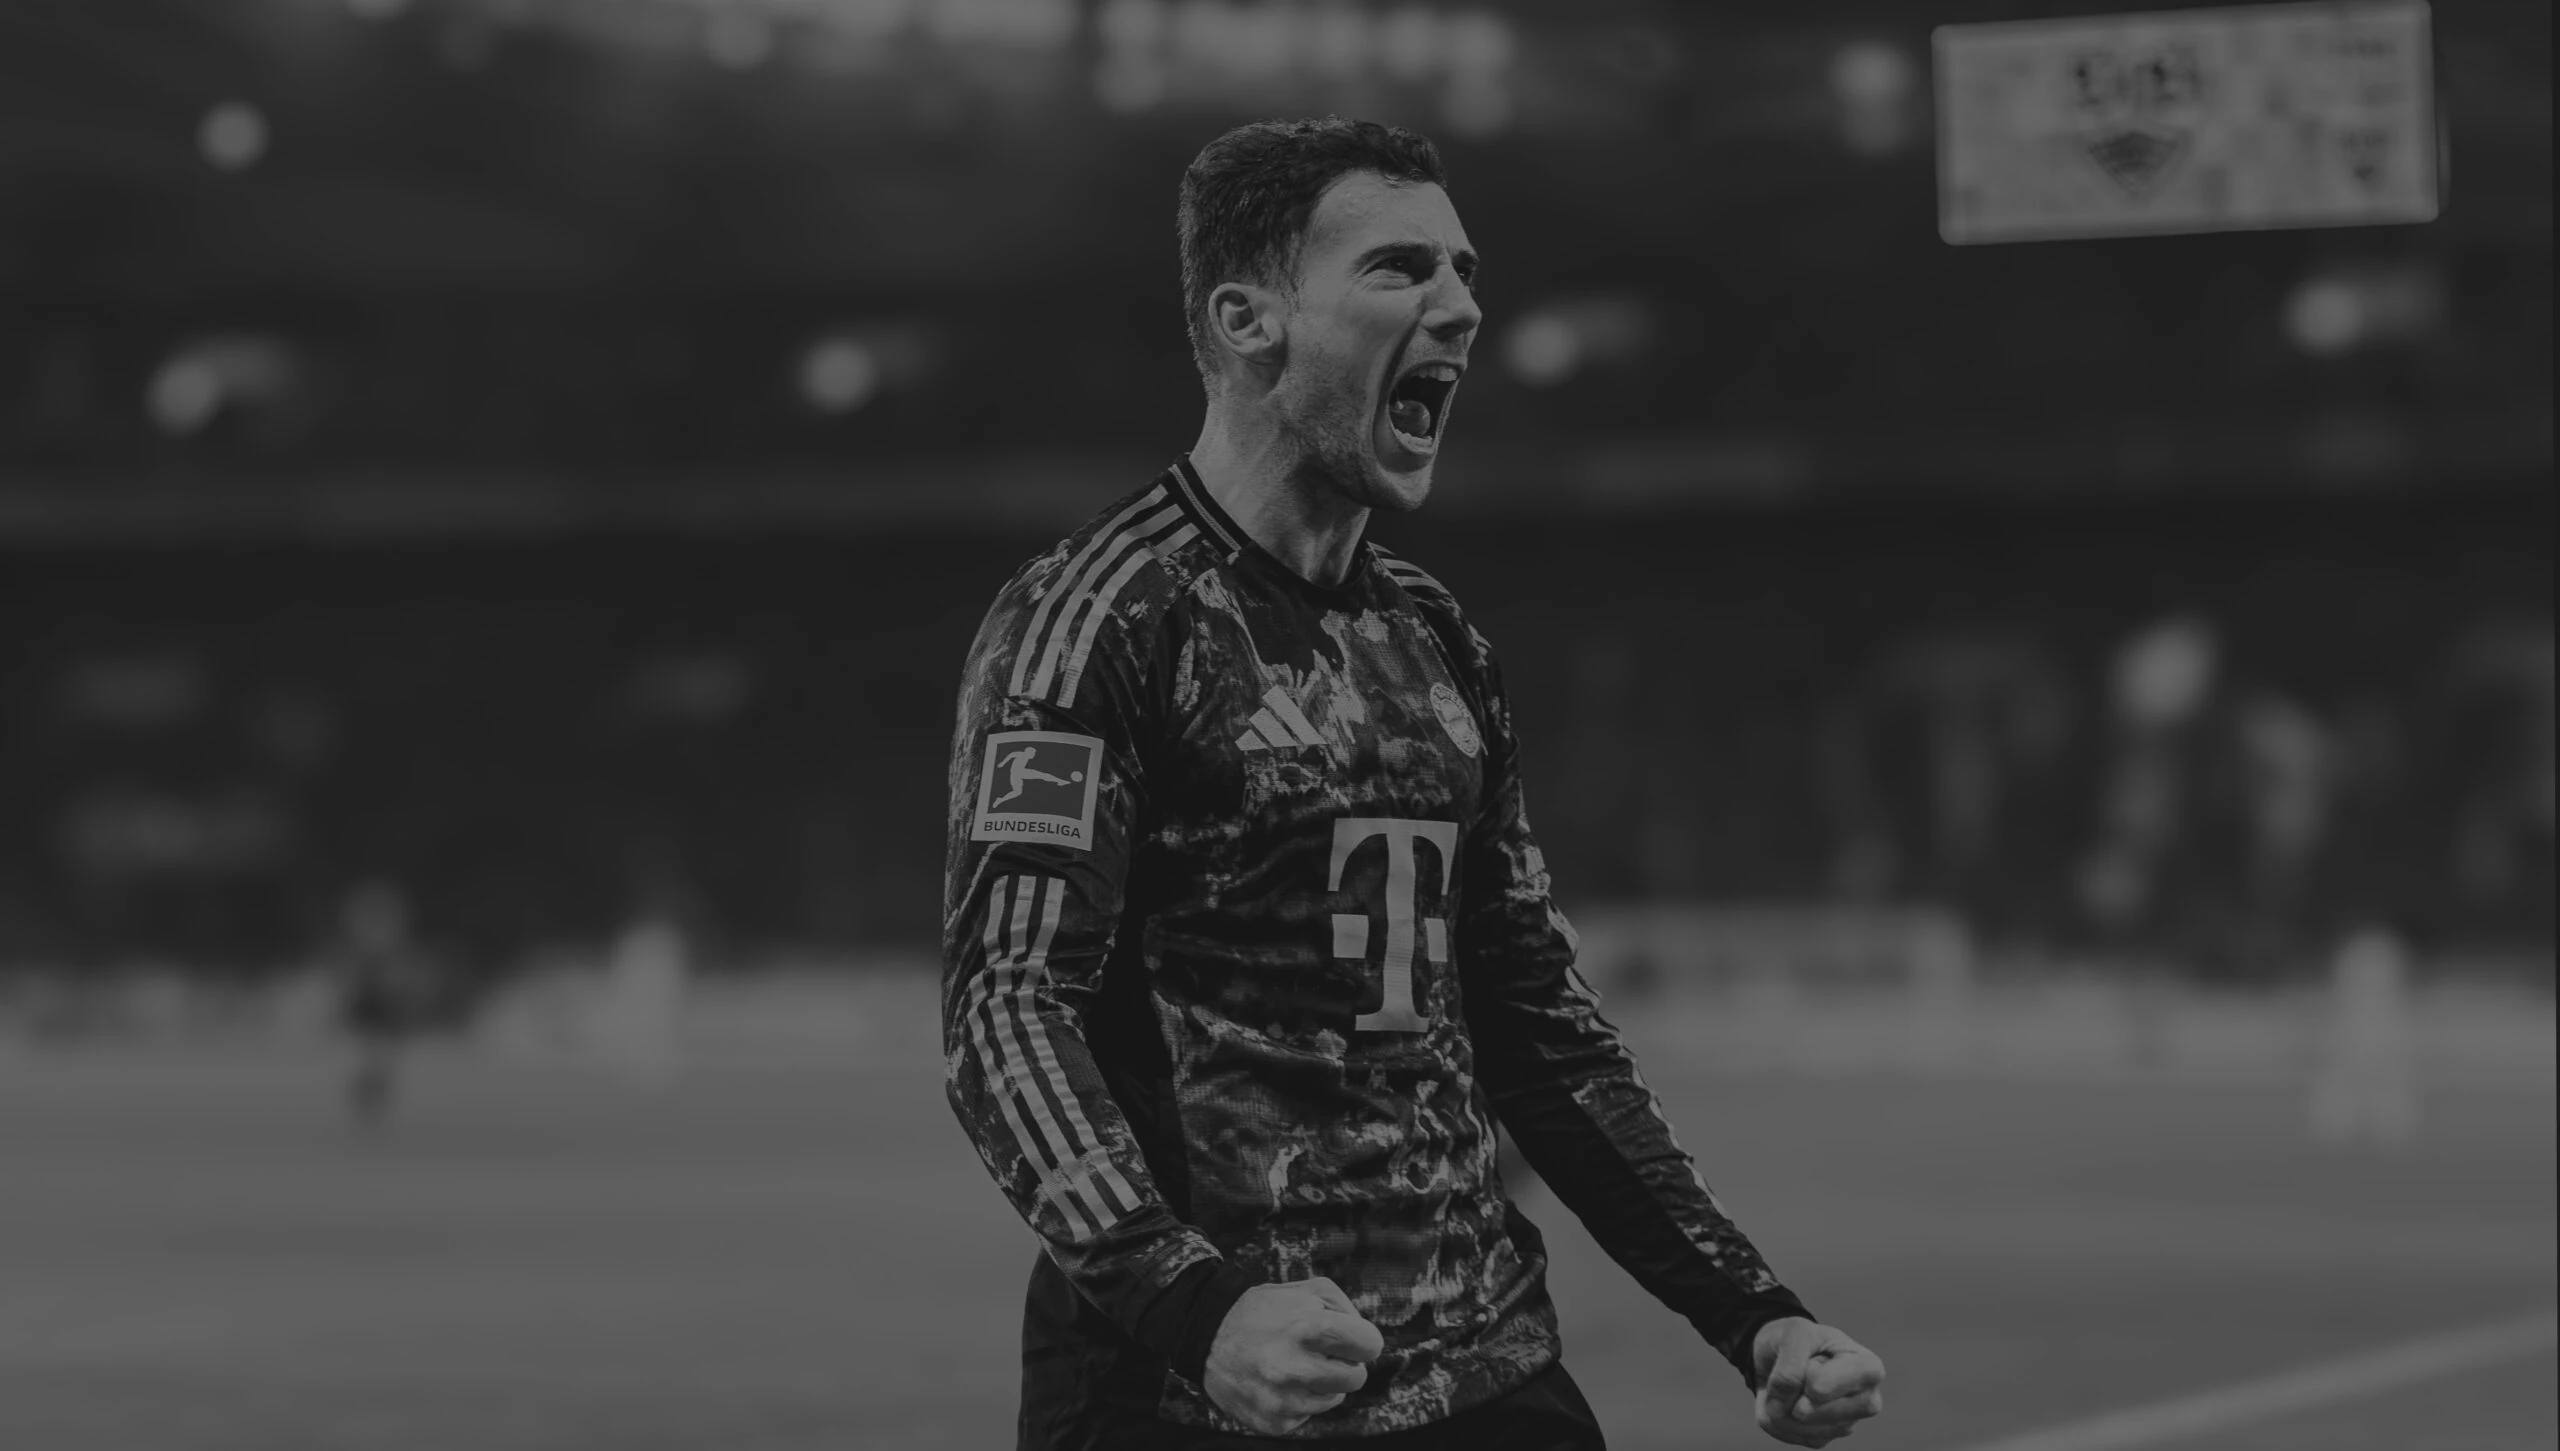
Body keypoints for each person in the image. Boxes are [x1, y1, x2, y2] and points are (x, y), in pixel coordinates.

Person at [942, 117, 1886, 1450]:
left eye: (1465, 271)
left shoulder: (1436, 640)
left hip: (1481, 1366)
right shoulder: (1099, 621)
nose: (1461, 307)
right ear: (1248, 318)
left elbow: (1536, 1025)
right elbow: (1007, 1010)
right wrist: (1200, 1309)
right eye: (1401, 270)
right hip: (1196, 1381)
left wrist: (1755, 1312)